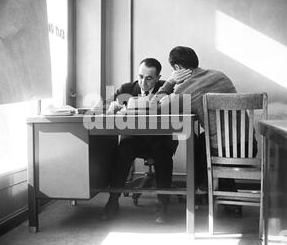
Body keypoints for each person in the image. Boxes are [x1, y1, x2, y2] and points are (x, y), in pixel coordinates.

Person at [152, 46, 257, 194]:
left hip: (223, 152)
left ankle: (198, 193)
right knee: (203, 140)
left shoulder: (186, 90)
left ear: (177, 67)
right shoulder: (220, 76)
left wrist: (170, 81)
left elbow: (154, 107)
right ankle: (221, 196)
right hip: (249, 148)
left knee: (195, 144)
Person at [102, 58, 180, 223]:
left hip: (159, 139)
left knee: (163, 153)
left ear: (158, 77)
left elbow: (180, 114)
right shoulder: (126, 89)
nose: (143, 82)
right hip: (134, 140)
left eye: (149, 78)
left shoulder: (167, 88)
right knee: (122, 150)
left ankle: (162, 204)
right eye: (140, 76)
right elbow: (104, 109)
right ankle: (113, 200)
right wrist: (112, 109)